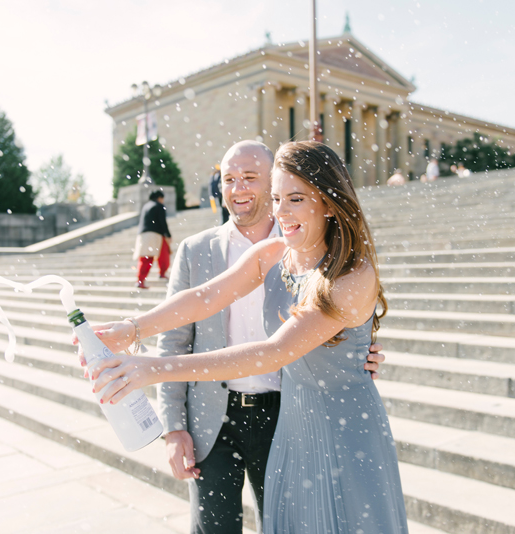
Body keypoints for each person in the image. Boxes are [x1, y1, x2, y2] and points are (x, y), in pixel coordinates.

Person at [80, 141, 408, 534]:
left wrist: (152, 369)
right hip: (293, 429)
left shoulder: (352, 277)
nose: (281, 212)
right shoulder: (277, 253)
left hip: (343, 430)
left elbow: (274, 353)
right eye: (277, 198)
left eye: (296, 199)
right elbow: (205, 297)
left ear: (329, 202)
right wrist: (131, 328)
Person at [157, 140, 384, 533]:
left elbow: (301, 336)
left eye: (249, 178)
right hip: (212, 417)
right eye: (228, 179)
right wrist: (173, 427)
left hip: (286, 414)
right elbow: (177, 334)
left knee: (286, 526)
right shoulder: (197, 251)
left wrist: (355, 349)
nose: (237, 188)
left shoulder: (310, 244)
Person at [134, 190, 171, 289]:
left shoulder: (146, 206)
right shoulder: (159, 206)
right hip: (155, 233)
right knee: (161, 255)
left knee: (145, 257)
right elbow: (163, 222)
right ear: (160, 198)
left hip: (142, 234)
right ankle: (161, 273)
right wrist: (168, 234)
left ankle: (140, 279)